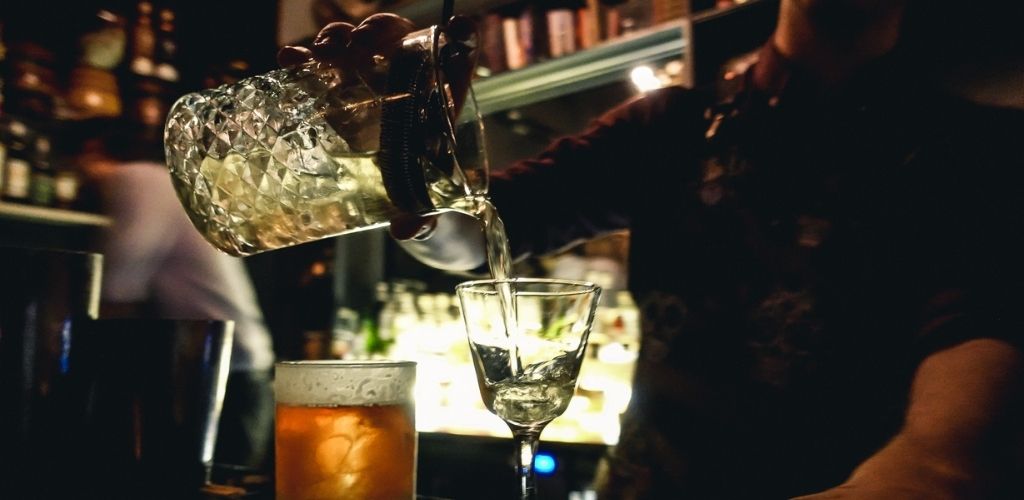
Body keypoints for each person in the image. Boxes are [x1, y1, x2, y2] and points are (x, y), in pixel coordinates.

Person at [281, 1, 1024, 498]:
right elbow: (476, 236)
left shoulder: (981, 160)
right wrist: (405, 161)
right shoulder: (670, 129)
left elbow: (949, 463)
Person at [77, 122, 277, 471]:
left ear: (92, 152)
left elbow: (118, 285)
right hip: (226, 366)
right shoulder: (163, 184)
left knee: (212, 485)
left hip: (230, 373)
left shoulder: (140, 180)